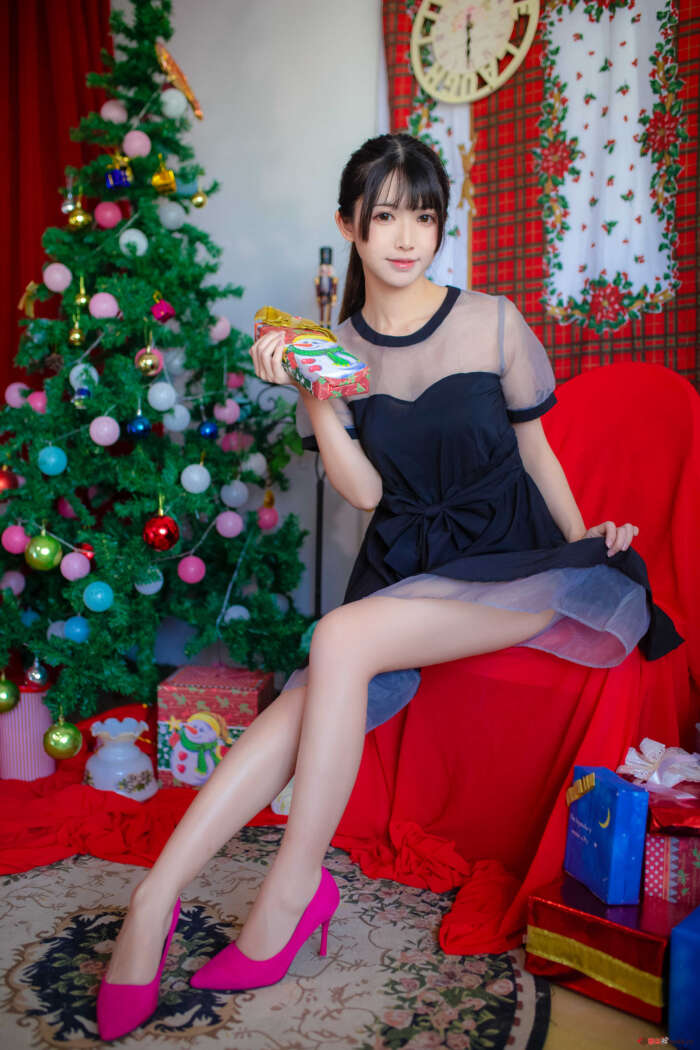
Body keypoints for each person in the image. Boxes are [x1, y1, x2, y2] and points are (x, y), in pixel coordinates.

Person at [96, 133, 682, 1040]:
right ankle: (154, 899)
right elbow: (367, 493)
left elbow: (538, 453)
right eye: (385, 217)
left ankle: (290, 892)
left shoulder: (492, 321)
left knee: (336, 638)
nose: (407, 238)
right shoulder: (334, 351)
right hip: (408, 570)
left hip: (514, 562)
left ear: (442, 225)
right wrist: (315, 395)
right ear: (349, 225)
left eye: (424, 216)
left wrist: (583, 550)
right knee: (304, 695)